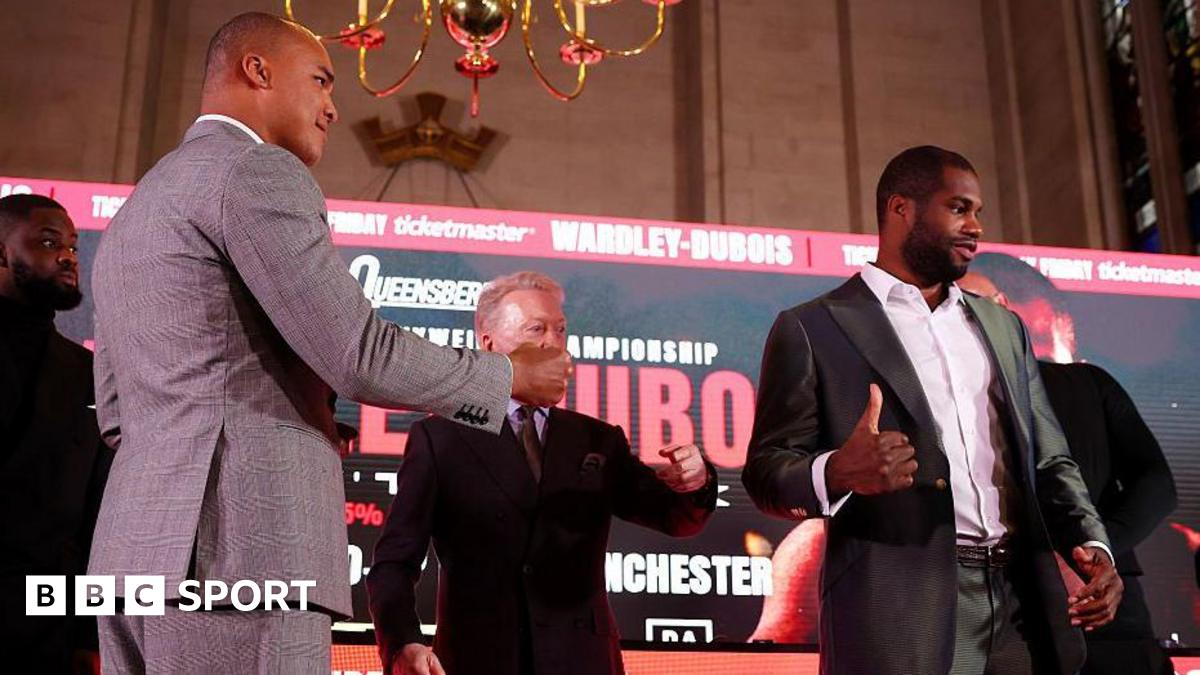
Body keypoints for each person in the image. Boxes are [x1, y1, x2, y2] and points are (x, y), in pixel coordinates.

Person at [87, 13, 570, 673]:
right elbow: (356, 351)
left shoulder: (137, 209)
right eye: (319, 81)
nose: (333, 107)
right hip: (241, 551)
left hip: (129, 557)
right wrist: (505, 376)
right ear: (256, 70)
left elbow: (116, 415)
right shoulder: (257, 171)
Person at [742, 145, 1123, 675]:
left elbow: (1051, 462)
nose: (976, 227)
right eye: (959, 208)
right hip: (900, 612)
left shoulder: (1000, 327)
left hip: (1022, 609)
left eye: (978, 212)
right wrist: (837, 470)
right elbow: (765, 472)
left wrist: (1093, 547)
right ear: (902, 209)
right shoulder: (814, 327)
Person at [367, 271, 717, 675]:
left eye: (561, 330)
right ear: (488, 343)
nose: (553, 342)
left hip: (582, 662)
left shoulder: (597, 439)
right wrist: (401, 643)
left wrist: (697, 481)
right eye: (537, 329)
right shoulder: (440, 438)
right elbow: (394, 562)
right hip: (480, 661)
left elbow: (674, 517)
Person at [961, 261, 1177, 675]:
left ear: (1004, 309)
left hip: (1107, 608)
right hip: (1001, 618)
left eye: (978, 303)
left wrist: (1094, 551)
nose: (968, 318)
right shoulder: (941, 406)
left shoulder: (1088, 385)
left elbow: (1156, 483)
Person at [0, 194, 111, 674]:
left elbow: (99, 516)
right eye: (48, 242)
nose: (68, 255)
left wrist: (88, 635)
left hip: (47, 632)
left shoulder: (90, 373)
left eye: (71, 244)